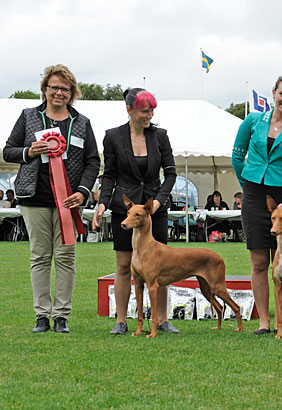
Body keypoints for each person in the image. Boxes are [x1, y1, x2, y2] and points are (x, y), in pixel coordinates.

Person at [3, 64, 100, 333]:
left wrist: (82, 191)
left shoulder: (81, 123)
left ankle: (61, 316)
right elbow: (8, 151)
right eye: (54, 87)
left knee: (66, 257)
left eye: (65, 89)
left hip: (68, 200)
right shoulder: (28, 116)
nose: (59, 93)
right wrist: (29, 151)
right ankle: (41, 316)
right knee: (40, 257)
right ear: (44, 90)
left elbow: (93, 161)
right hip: (34, 197)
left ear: (72, 93)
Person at [93, 88, 178, 335]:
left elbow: (170, 173)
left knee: (159, 267)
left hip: (154, 210)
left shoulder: (160, 136)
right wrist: (103, 203)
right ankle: (121, 320)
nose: (149, 114)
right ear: (129, 110)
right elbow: (109, 175)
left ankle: (162, 319)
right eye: (144, 110)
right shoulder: (113, 137)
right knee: (123, 266)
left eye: (152, 110)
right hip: (126, 209)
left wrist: (160, 199)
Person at [232, 73, 282, 335]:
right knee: (259, 262)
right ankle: (264, 322)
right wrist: (247, 187)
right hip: (254, 194)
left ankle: (280, 323)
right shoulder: (252, 121)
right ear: (273, 93)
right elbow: (237, 156)